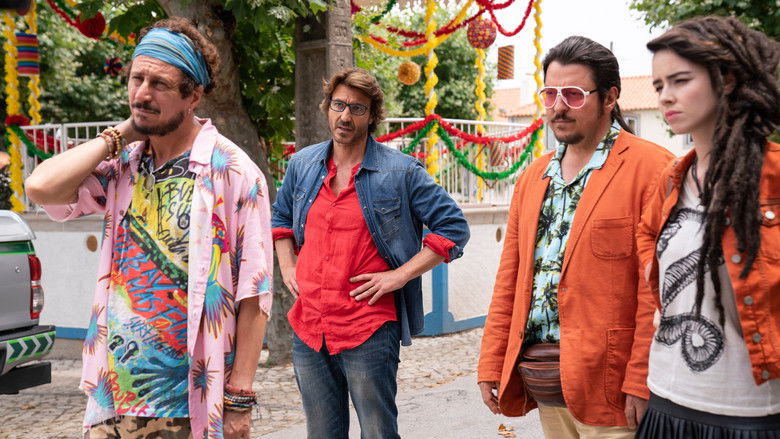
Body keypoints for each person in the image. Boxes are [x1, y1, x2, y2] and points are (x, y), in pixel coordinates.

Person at [24, 17, 272, 439]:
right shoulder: (124, 163)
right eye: (137, 78)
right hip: (112, 396)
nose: (142, 93)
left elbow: (254, 292)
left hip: (188, 401)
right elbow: (40, 187)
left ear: (194, 95)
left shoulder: (232, 171)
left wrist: (239, 399)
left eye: (159, 84)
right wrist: (121, 133)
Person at [477, 36, 675, 438]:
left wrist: (641, 379)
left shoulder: (653, 170)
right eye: (550, 94)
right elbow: (510, 279)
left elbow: (657, 291)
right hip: (547, 380)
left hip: (613, 385)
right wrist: (492, 361)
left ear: (610, 98)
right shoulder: (533, 177)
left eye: (574, 94)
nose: (558, 106)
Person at [271, 67, 470, 438]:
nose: (345, 116)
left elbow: (453, 228)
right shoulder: (303, 165)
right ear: (327, 107)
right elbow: (280, 217)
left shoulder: (401, 172)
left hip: (368, 328)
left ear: (372, 115)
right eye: (338, 105)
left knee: (377, 433)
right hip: (310, 325)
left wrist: (399, 276)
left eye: (357, 108)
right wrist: (287, 265)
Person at [636, 15, 780, 438]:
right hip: (666, 398)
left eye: (680, 81)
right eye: (659, 85)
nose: (665, 96)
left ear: (728, 79)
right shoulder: (671, 180)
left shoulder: (774, 176)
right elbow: (646, 238)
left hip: (749, 412)